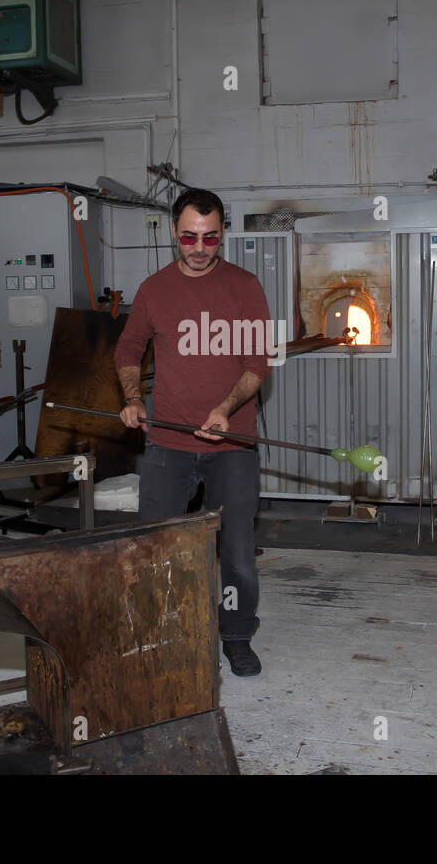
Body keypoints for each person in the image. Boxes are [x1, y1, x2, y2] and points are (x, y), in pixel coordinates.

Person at [115, 187, 271, 677]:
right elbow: (127, 351)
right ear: (173, 233)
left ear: (223, 233)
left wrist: (224, 409)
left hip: (232, 444)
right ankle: (156, 632)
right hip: (167, 442)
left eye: (210, 238)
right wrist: (133, 398)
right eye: (189, 237)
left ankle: (237, 634)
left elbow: (258, 364)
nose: (199, 248)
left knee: (237, 553)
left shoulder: (244, 287)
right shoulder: (153, 290)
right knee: (153, 546)